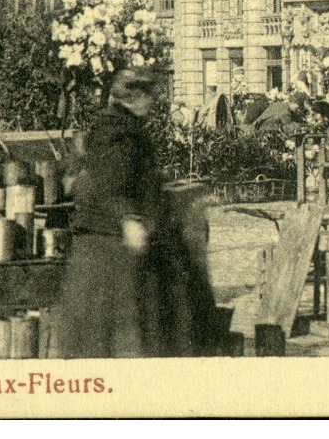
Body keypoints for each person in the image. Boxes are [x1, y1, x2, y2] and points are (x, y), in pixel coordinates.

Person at [58, 66, 221, 358]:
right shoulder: (115, 132)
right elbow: (111, 182)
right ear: (132, 97)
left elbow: (133, 176)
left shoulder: (127, 126)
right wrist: (129, 219)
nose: (154, 101)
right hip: (109, 241)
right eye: (149, 95)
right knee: (127, 317)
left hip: (120, 233)